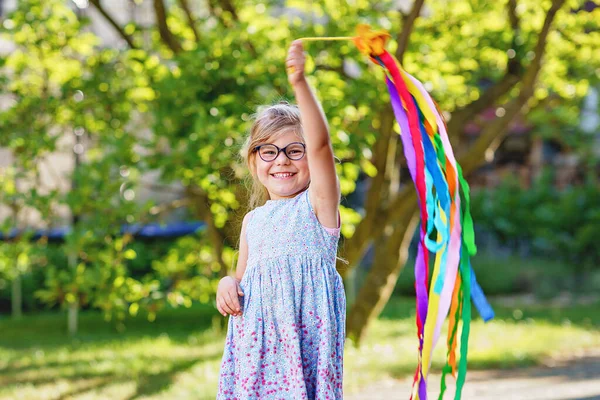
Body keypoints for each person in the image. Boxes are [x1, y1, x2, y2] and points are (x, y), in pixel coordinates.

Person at [216, 40, 346, 399]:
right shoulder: (253, 222)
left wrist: (300, 82)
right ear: (253, 161)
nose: (282, 160)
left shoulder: (318, 205)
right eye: (269, 151)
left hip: (303, 351)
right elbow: (239, 280)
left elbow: (322, 146)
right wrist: (227, 284)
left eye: (294, 150)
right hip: (256, 356)